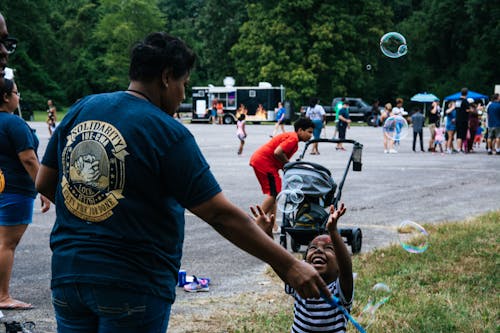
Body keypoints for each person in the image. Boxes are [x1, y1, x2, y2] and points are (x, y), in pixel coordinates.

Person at [35, 32, 330, 333]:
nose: (183, 96)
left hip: (67, 278)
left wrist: (98, 208)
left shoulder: (83, 108)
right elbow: (219, 213)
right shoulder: (167, 132)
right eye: (183, 84)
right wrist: (289, 264)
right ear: (166, 77)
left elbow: (45, 182)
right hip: (132, 283)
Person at [254, 203, 353, 333]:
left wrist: (333, 231)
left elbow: (346, 269)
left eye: (328, 248)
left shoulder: (339, 290)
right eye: (312, 247)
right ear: (303, 263)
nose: (318, 250)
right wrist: (267, 237)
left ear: (338, 267)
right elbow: (279, 263)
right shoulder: (300, 281)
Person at [0, 78, 51, 310]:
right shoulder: (14, 124)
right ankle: (2, 296)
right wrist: (44, 188)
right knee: (7, 244)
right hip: (14, 190)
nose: (18, 97)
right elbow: (29, 159)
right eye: (16, 92)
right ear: (6, 96)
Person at [249, 118, 314, 231]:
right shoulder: (293, 138)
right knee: (274, 193)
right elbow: (278, 152)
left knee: (274, 193)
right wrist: (288, 164)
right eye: (309, 132)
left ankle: (272, 225)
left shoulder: (293, 139)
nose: (311, 136)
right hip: (264, 162)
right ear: (300, 130)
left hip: (262, 161)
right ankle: (255, 224)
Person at [455, 88, 470, 153]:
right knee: (462, 135)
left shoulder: (457, 101)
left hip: (457, 119)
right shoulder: (465, 101)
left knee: (458, 134)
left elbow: (457, 109)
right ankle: (460, 148)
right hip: (463, 120)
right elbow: (467, 110)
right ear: (467, 93)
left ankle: (458, 148)